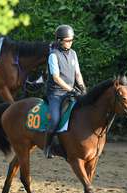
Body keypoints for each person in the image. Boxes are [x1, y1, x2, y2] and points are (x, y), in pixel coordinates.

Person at [44, 24, 87, 158]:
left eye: (71, 40)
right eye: (68, 40)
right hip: (56, 93)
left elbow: (78, 74)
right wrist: (71, 89)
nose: (70, 43)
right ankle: (48, 147)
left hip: (71, 92)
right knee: (55, 119)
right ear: (59, 40)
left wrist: (83, 88)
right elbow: (56, 78)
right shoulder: (53, 55)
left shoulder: (73, 54)